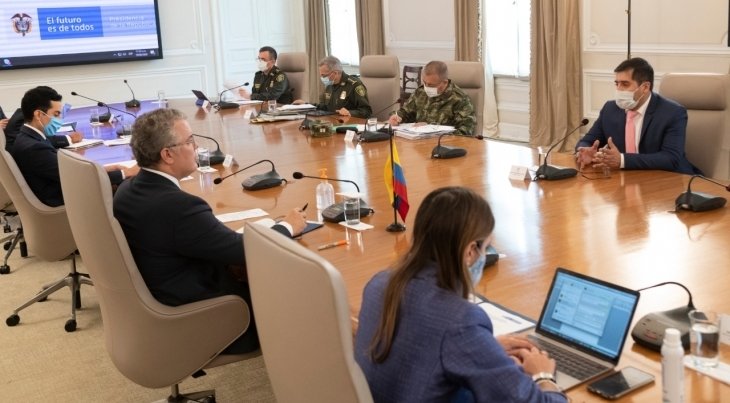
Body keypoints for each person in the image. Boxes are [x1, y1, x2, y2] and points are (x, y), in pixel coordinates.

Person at [113, 108, 307, 354]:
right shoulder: (179, 207)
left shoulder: (128, 188)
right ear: (167, 154)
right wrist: (288, 226)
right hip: (200, 315)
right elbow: (243, 251)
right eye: (189, 141)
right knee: (300, 290)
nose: (196, 147)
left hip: (159, 300)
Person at [355, 186, 566, 403]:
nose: (486, 255)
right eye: (486, 247)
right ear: (470, 251)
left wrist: (485, 348)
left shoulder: (379, 284)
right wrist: (543, 376)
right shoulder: (460, 322)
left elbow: (421, 346)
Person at [10, 86, 137, 207]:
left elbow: (67, 172)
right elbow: (79, 178)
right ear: (38, 115)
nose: (59, 119)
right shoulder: (34, 148)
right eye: (56, 114)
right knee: (130, 187)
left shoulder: (28, 137)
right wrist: (125, 173)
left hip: (59, 190)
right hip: (63, 203)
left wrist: (106, 169)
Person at [575, 57, 699, 175]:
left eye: (625, 84)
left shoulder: (673, 112)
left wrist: (622, 160)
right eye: (617, 84)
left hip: (670, 179)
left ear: (645, 87)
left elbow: (671, 158)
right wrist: (585, 150)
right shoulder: (610, 109)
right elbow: (587, 140)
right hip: (626, 179)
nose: (619, 89)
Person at [387, 61, 476, 136]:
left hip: (443, 146)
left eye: (431, 85)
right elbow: (406, 112)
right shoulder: (420, 92)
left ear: (445, 82)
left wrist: (429, 130)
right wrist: (398, 117)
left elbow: (465, 131)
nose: (426, 87)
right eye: (424, 83)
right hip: (417, 143)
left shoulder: (460, 99)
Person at [295, 55, 372, 118]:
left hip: (349, 125)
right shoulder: (329, 85)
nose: (322, 78)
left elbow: (367, 111)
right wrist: (306, 105)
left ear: (335, 73)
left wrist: (350, 113)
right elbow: (325, 107)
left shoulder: (354, 85)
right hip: (333, 122)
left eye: (324, 75)